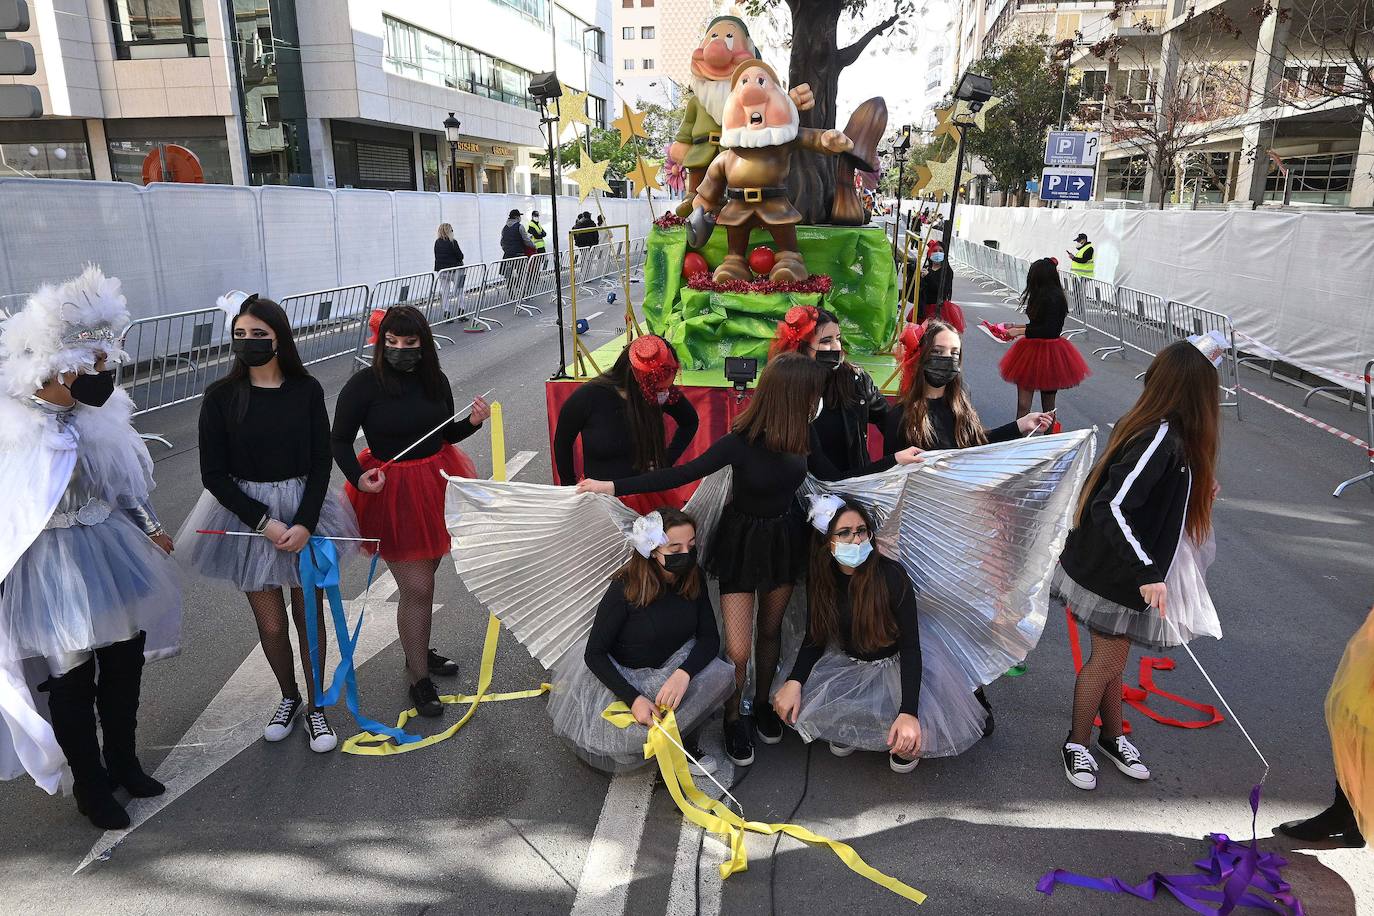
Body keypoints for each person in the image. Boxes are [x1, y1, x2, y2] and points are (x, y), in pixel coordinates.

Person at [579, 353, 830, 767]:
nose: (815, 401)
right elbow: (678, 474)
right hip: (740, 545)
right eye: (811, 394)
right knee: (738, 649)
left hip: (784, 541)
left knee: (770, 632)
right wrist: (610, 486)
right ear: (790, 394)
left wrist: (895, 463)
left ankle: (762, 705)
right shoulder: (740, 442)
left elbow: (833, 474)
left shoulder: (804, 433)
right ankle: (733, 716)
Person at [0, 267, 181, 829]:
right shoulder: (14, 432)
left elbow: (122, 482)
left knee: (124, 661)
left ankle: (124, 761)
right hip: (48, 567)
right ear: (53, 370)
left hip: (108, 547)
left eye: (106, 364)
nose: (102, 376)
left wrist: (150, 525)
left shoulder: (96, 417)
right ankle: (91, 784)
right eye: (92, 366)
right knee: (72, 679)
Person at [181, 294, 359, 755]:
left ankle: (317, 707)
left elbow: (322, 461)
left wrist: (302, 524)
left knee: (309, 616)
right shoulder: (220, 397)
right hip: (249, 520)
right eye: (240, 335)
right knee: (273, 625)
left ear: (279, 337)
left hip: (305, 514)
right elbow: (213, 475)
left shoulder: (306, 390)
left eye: (258, 334)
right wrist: (265, 523)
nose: (248, 342)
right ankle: (289, 696)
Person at [1055, 338, 1224, 791]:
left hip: (1125, 569)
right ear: (1194, 392)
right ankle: (1076, 743)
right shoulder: (1160, 436)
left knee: (1113, 659)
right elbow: (1111, 506)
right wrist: (1148, 572)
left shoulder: (1174, 437)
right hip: (1114, 570)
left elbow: (1154, 499)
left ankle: (1111, 735)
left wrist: (1195, 491)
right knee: (1106, 660)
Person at [331, 306, 490, 718]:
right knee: (419, 589)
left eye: (410, 342)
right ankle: (418, 678)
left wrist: (472, 423)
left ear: (424, 343)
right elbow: (339, 440)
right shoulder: (363, 385)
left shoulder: (434, 380)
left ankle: (415, 648)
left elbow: (444, 433)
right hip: (391, 492)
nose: (400, 349)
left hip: (435, 483)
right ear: (381, 344)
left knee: (424, 580)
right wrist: (359, 476)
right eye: (392, 342)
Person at [774, 497, 986, 773]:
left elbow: (911, 648)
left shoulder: (892, 576)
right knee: (799, 701)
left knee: (913, 727)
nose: (856, 539)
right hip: (851, 661)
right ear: (827, 542)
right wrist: (795, 680)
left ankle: (901, 727)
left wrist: (909, 712)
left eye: (862, 530)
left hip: (896, 662)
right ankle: (855, 727)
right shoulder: (822, 578)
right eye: (845, 533)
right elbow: (816, 637)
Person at [547, 509, 735, 775]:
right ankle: (635, 739)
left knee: (717, 671)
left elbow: (709, 638)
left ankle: (683, 741)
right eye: (675, 548)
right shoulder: (624, 588)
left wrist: (683, 674)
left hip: (670, 670)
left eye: (691, 545)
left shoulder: (694, 577)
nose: (687, 554)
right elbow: (595, 654)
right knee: (626, 741)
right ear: (652, 550)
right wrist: (633, 698)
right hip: (628, 675)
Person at [767, 305, 919, 478]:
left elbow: (891, 421)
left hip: (856, 483)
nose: (836, 347)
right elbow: (826, 476)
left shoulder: (856, 380)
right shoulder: (789, 390)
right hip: (810, 491)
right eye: (826, 341)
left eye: (838, 338)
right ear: (802, 347)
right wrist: (893, 461)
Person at [554, 334, 700, 513]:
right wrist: (570, 488)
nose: (663, 393)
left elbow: (690, 421)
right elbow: (562, 442)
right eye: (657, 389)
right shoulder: (588, 397)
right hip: (602, 503)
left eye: (665, 389)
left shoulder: (662, 391)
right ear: (637, 378)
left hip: (648, 497)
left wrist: (666, 460)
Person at [887, 320, 1052, 453]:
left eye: (954, 353)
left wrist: (1021, 424)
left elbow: (977, 442)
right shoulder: (901, 415)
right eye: (937, 351)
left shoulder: (960, 403)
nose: (947, 358)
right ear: (921, 356)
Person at [999, 257, 1092, 417]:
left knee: (1047, 407)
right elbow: (1038, 324)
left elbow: (1050, 329)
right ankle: (1020, 438)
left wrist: (1020, 331)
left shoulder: (1055, 298)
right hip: (1032, 350)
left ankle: (1045, 438)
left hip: (1049, 353)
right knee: (1025, 404)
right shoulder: (1041, 294)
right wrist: (1016, 326)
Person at [433, 222, 466, 321]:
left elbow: (437, 257)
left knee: (445, 292)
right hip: (455, 270)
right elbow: (460, 256)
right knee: (459, 290)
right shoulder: (453, 242)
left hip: (442, 271)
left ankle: (446, 311)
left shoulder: (437, 242)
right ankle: (461, 310)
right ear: (449, 231)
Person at [499, 209, 534, 298]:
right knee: (522, 274)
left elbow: (502, 242)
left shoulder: (504, 228)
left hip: (507, 255)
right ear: (516, 217)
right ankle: (523, 292)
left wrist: (507, 249)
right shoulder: (520, 226)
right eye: (519, 216)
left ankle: (511, 293)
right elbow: (526, 240)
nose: (520, 218)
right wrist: (533, 246)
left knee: (508, 275)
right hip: (519, 254)